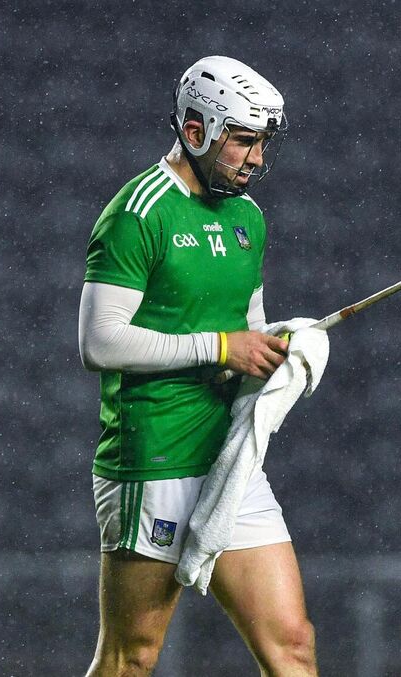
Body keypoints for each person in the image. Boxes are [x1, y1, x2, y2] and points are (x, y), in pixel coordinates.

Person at [78, 56, 318, 676]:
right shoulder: (137, 212)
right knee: (132, 658)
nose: (257, 158)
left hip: (228, 459)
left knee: (292, 644)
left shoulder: (248, 219)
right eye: (243, 140)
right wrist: (220, 347)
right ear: (195, 130)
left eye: (262, 142)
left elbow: (248, 331)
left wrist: (279, 349)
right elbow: (99, 344)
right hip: (152, 458)